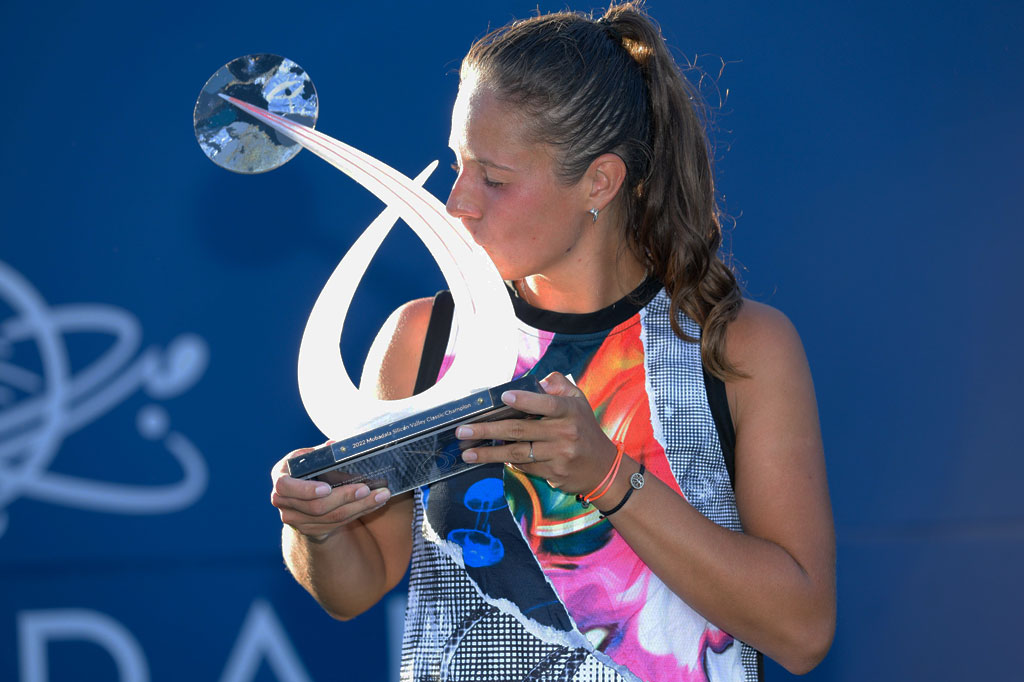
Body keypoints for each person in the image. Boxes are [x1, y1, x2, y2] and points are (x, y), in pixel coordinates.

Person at [270, 3, 836, 680]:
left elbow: (802, 632)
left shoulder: (737, 345)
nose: (457, 203)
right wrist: (316, 528)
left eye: (494, 178)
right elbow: (355, 588)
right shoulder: (423, 339)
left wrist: (606, 475)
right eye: (458, 165)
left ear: (600, 181)